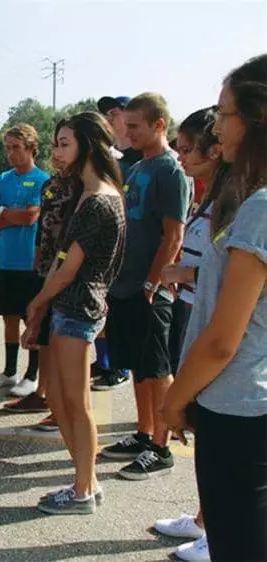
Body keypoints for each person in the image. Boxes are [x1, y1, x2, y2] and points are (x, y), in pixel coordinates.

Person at [162, 53, 267, 562]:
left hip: (237, 410)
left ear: (258, 117)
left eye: (224, 114)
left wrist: (174, 399)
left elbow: (225, 338)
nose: (216, 126)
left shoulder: (261, 208)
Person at [23, 111, 127, 515]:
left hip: (77, 307)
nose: (57, 150)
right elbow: (62, 258)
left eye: (65, 142)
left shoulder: (99, 198)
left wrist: (38, 302)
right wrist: (41, 304)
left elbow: (68, 270)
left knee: (76, 403)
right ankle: (86, 481)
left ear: (86, 144)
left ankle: (84, 489)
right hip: (69, 306)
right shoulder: (81, 192)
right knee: (65, 402)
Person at [99, 93, 191, 482]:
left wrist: (155, 281)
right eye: (126, 125)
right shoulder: (138, 169)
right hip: (126, 284)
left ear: (159, 125)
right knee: (138, 366)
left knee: (157, 368)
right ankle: (142, 432)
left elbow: (174, 235)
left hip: (151, 289)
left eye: (135, 126)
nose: (127, 132)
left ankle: (161, 445)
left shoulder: (171, 171)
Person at [152, 107, 227, 562]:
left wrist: (186, 270)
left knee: (219, 437)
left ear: (216, 148)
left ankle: (218, 532)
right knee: (207, 435)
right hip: (192, 312)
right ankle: (205, 518)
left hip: (215, 325)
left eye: (186, 149)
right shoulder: (210, 194)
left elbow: (236, 273)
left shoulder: (239, 203)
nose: (180, 157)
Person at [0, 120, 80, 430]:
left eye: (65, 145)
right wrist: (38, 266)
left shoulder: (84, 187)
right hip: (42, 269)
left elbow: (34, 218)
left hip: (68, 274)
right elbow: (41, 230)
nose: (57, 152)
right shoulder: (53, 186)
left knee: (62, 341)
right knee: (44, 335)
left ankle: (62, 405)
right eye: (56, 145)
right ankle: (44, 394)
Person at [0, 124, 49, 398]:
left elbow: (32, 216)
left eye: (16, 148)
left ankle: (32, 375)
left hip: (31, 263)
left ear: (31, 149)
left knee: (32, 320)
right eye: (7, 147)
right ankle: (10, 371)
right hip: (5, 261)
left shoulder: (43, 180)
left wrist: (6, 213)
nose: (10, 153)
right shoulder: (1, 180)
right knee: (8, 318)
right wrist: (9, 213)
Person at [92, 95, 142, 391]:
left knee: (123, 314)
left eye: (115, 113)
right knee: (104, 307)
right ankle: (105, 362)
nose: (110, 119)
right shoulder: (110, 158)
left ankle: (120, 367)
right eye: (107, 114)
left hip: (133, 252)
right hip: (109, 246)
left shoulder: (141, 158)